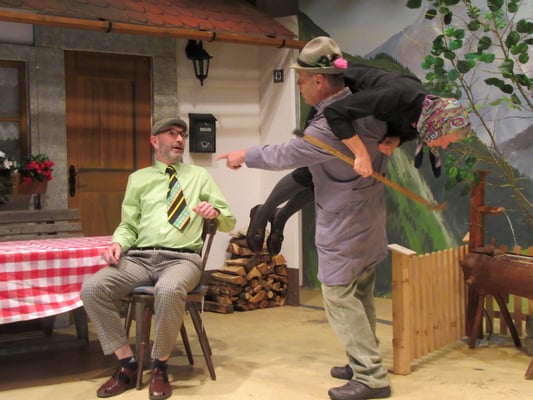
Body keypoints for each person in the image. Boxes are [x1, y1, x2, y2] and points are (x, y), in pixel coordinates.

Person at [217, 36, 392, 400]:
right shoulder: (367, 105)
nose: (298, 86)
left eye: (300, 80)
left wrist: (244, 154)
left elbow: (287, 154)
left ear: (318, 80)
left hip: (345, 225)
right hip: (370, 216)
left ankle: (371, 376)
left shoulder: (330, 124)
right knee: (361, 291)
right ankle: (362, 360)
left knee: (339, 296)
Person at [247, 46, 471, 254]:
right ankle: (262, 213)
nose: (444, 145)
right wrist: (361, 153)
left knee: (323, 181)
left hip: (356, 120)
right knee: (309, 172)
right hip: (335, 110)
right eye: (447, 139)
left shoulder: (422, 116)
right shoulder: (395, 96)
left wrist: (395, 139)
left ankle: (281, 217)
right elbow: (335, 112)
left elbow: (405, 129)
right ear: (438, 125)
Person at [81, 117, 236, 400]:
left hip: (182, 259)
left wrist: (215, 213)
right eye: (172, 134)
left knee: (168, 288)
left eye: (182, 134)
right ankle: (127, 364)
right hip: (139, 258)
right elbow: (129, 224)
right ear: (155, 141)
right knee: (92, 288)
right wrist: (117, 243)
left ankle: (159, 365)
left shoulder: (199, 176)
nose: (179, 139)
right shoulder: (138, 179)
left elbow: (228, 220)